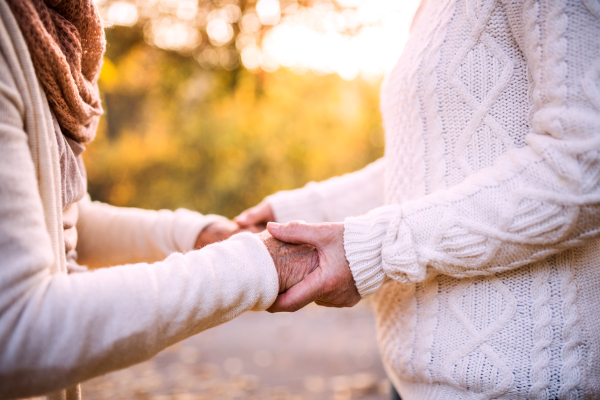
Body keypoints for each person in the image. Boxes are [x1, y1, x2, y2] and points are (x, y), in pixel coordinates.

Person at [237, 0, 600, 398]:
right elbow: (426, 166)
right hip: (409, 378)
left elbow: (583, 167)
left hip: (512, 384)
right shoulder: (430, 10)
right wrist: (303, 214)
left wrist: (372, 251)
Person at [0, 1, 319, 399]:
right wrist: (256, 265)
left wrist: (198, 234)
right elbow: (18, 329)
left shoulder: (47, 36)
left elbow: (59, 221)